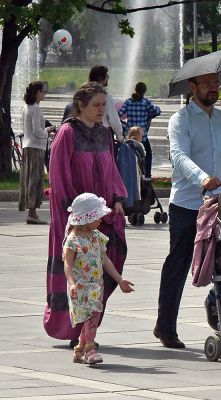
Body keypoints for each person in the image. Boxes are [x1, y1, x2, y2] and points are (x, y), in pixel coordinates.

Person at [154, 72, 221, 348]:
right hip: (187, 204)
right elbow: (179, 157)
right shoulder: (181, 120)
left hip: (219, 204)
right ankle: (165, 327)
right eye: (208, 84)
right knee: (179, 262)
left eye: (217, 84)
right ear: (193, 86)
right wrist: (202, 178)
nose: (214, 89)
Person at [45, 82, 128, 347]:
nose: (102, 110)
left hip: (101, 215)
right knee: (77, 270)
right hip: (75, 217)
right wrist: (76, 216)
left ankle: (88, 328)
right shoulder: (67, 133)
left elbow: (111, 170)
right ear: (81, 105)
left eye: (104, 105)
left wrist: (116, 199)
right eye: (97, 105)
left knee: (104, 263)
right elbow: (59, 177)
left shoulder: (104, 134)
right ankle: (74, 330)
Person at [63, 193, 134, 364]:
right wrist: (72, 284)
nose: (101, 220)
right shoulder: (73, 241)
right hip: (80, 286)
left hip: (96, 285)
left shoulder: (96, 237)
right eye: (97, 217)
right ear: (86, 219)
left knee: (92, 316)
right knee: (90, 317)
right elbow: (68, 264)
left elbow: (105, 260)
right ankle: (90, 349)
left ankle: (80, 348)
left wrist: (119, 279)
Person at [18, 81, 54, 224]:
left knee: (29, 179)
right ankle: (32, 213)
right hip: (36, 147)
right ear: (38, 92)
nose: (45, 94)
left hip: (28, 145)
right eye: (44, 91)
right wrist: (48, 131)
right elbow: (37, 131)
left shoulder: (26, 107)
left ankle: (31, 211)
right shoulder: (36, 109)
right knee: (35, 179)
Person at [118, 82, 161, 178]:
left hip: (130, 134)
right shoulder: (145, 102)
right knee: (148, 152)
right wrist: (156, 109)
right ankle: (148, 174)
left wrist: (124, 126)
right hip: (142, 135)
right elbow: (157, 111)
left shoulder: (128, 102)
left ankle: (127, 172)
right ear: (144, 91)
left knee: (127, 152)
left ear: (135, 89)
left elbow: (119, 114)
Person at [89, 65, 124, 142]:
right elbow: (113, 119)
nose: (108, 76)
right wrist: (120, 136)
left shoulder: (84, 93)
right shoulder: (105, 96)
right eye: (106, 74)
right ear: (101, 78)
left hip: (85, 132)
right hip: (102, 133)